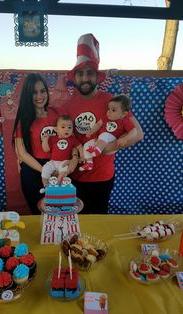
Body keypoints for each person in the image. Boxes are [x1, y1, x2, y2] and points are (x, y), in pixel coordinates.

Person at [58, 33, 144, 214]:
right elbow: (69, 140)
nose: (85, 78)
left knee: (99, 221)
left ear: (97, 76)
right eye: (80, 73)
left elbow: (138, 133)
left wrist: (107, 147)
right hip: (76, 178)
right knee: (76, 224)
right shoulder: (66, 106)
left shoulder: (112, 102)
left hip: (103, 177)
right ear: (75, 77)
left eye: (90, 73)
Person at [12, 73, 59, 214]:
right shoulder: (24, 119)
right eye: (34, 92)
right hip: (33, 171)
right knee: (39, 213)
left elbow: (64, 141)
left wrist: (58, 168)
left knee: (56, 212)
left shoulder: (55, 114)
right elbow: (22, 153)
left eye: (42, 91)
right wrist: (45, 171)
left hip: (54, 168)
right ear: (28, 95)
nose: (39, 96)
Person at [79, 94, 137, 171]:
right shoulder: (106, 117)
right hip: (100, 140)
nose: (109, 112)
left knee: (104, 135)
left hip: (111, 138)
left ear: (124, 114)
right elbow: (98, 124)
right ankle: (89, 163)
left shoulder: (125, 120)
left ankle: (96, 151)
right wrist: (92, 131)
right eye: (108, 109)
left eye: (113, 110)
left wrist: (125, 139)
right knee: (87, 145)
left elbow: (134, 131)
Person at [40, 115, 84, 192]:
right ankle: (46, 187)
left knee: (63, 174)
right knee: (45, 170)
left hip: (64, 162)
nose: (67, 129)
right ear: (56, 129)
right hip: (53, 162)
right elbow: (46, 149)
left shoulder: (72, 139)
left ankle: (59, 188)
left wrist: (82, 156)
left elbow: (80, 146)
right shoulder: (53, 139)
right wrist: (45, 140)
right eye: (63, 127)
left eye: (69, 127)